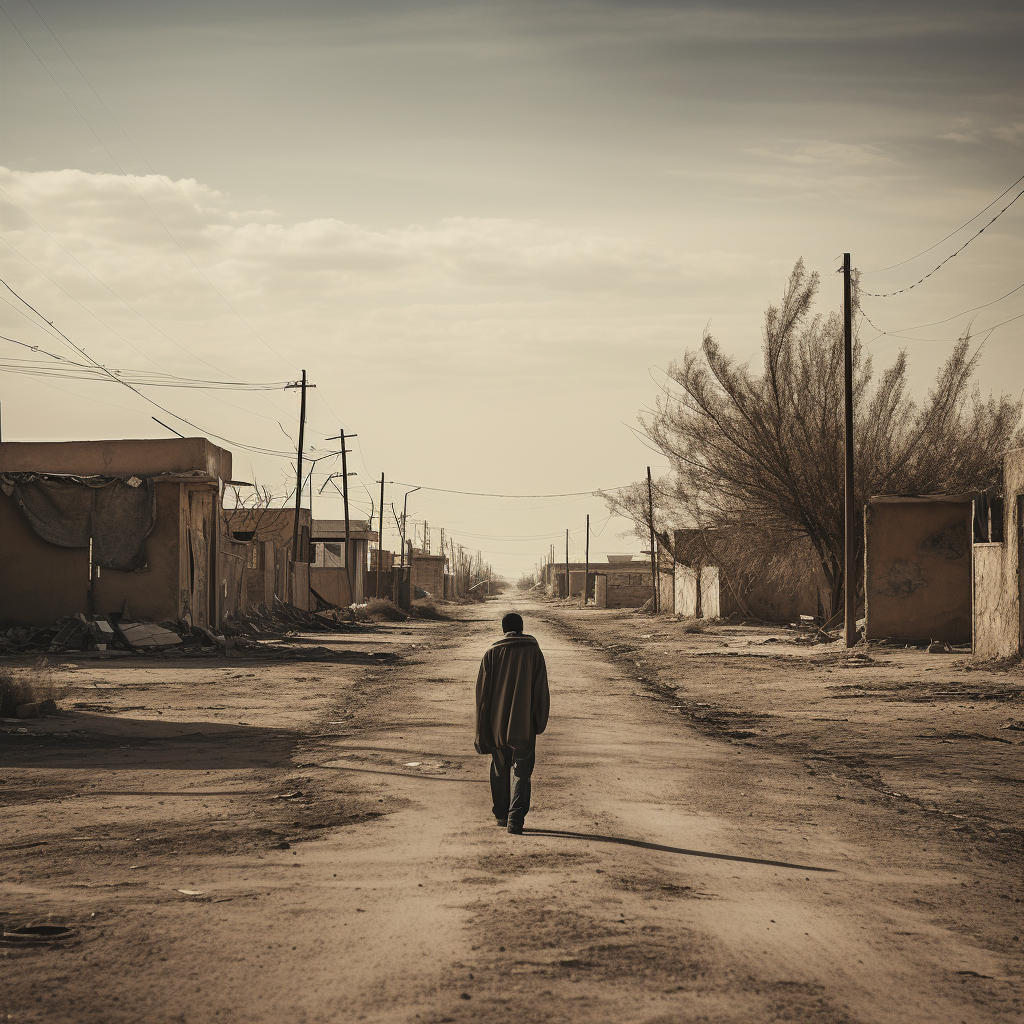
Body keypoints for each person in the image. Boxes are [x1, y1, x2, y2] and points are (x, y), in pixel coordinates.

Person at [474, 611, 550, 835]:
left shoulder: (491, 653)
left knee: (499, 768)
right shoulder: (534, 652)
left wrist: (482, 730)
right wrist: (539, 721)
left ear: (503, 629)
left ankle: (500, 814)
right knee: (522, 771)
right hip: (524, 724)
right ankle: (515, 819)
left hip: (497, 725)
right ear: (522, 628)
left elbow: (482, 697)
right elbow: (540, 690)